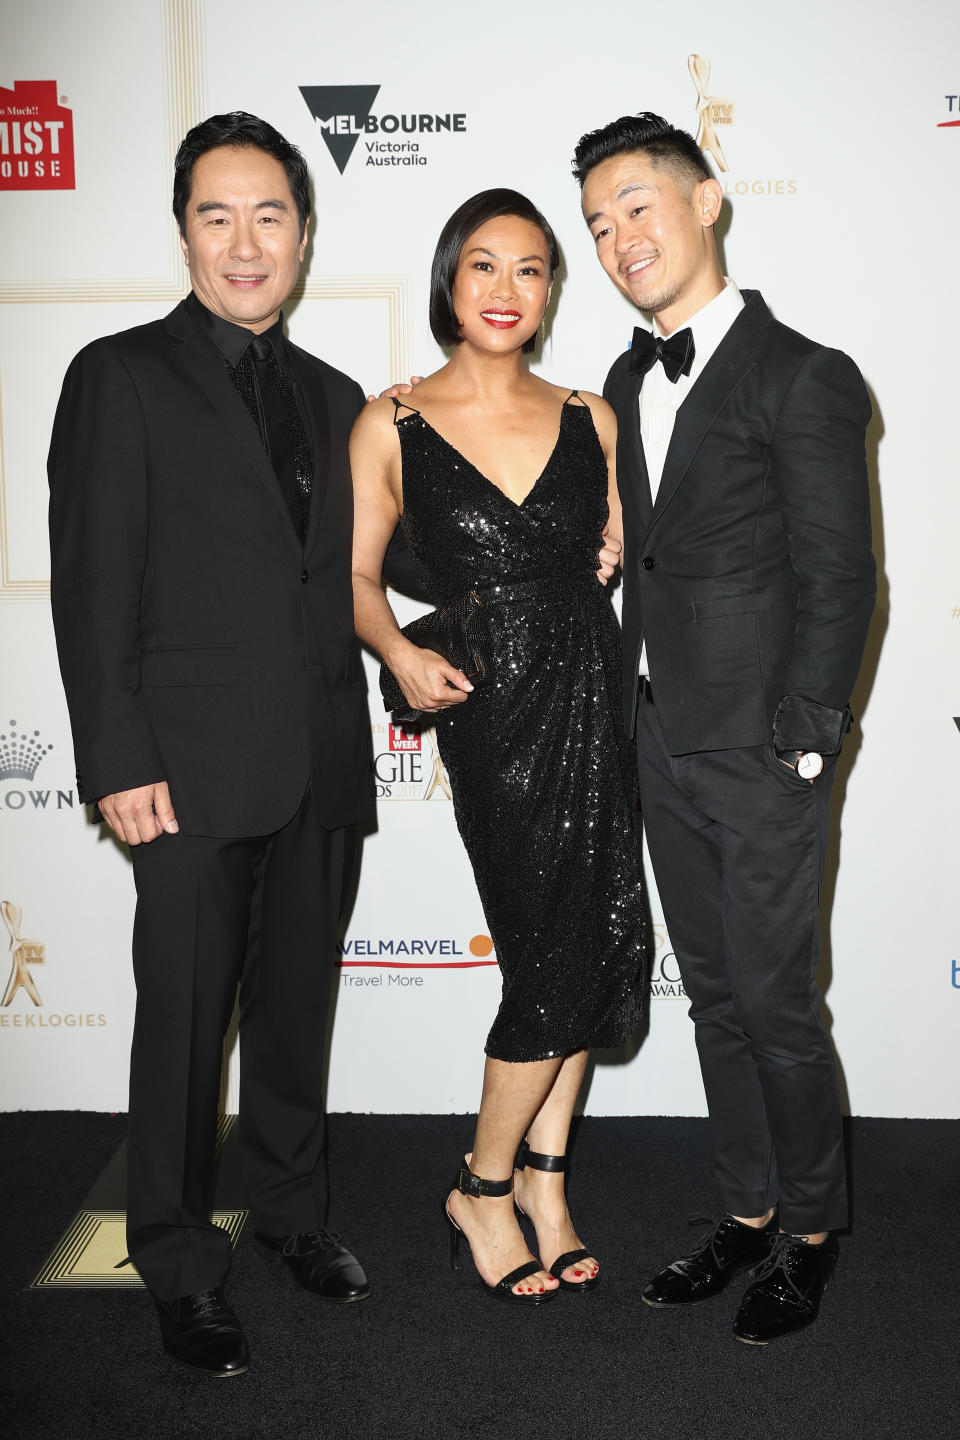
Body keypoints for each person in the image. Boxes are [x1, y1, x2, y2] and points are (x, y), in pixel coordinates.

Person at [47, 111, 410, 1377]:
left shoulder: (337, 398)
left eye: (270, 217)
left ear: (304, 238)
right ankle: (179, 1258)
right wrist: (116, 756)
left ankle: (296, 1217)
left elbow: (388, 562)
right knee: (185, 1025)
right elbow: (94, 583)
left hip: (319, 756)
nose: (245, 244)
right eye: (218, 216)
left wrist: (556, 544)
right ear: (185, 230)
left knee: (299, 1013)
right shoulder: (121, 373)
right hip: (186, 771)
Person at [573, 113, 876, 1343]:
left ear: (708, 202)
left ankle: (809, 1234)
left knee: (776, 999)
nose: (618, 239)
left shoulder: (804, 373)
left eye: (637, 206)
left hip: (761, 751)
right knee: (711, 998)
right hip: (657, 738)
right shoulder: (622, 380)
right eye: (597, 225)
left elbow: (844, 575)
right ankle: (746, 1211)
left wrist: (803, 744)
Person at [351, 189, 645, 1304]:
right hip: (494, 711)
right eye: (483, 266)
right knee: (548, 951)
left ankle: (547, 1184)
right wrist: (396, 651)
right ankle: (481, 1184)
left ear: (552, 290)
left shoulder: (591, 415)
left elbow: (609, 546)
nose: (505, 290)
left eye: (530, 270)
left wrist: (606, 558)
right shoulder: (395, 421)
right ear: (448, 279)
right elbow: (354, 575)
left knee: (604, 926)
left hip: (591, 686)